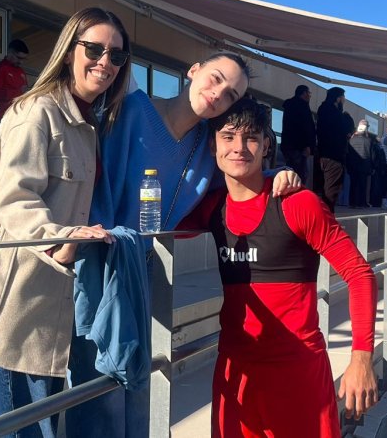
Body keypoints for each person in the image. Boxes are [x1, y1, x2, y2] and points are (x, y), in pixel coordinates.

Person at [71, 51, 302, 438]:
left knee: (134, 389)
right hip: (97, 264)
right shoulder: (130, 111)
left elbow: (236, 179)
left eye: (230, 94)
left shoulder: (204, 148)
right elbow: (96, 188)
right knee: (99, 393)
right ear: (193, 69)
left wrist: (280, 173)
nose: (217, 94)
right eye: (214, 79)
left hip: (142, 269)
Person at [0, 7, 127, 438]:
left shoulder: (90, 122)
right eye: (94, 49)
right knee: (16, 426)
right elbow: (15, 200)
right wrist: (63, 235)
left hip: (54, 300)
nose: (105, 62)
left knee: (35, 424)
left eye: (117, 55)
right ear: (69, 51)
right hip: (17, 300)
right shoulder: (35, 112)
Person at [183, 97, 378, 437]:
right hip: (234, 374)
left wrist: (361, 358)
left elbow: (359, 275)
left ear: (266, 145)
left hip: (296, 375)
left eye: (251, 137)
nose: (239, 147)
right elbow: (155, 220)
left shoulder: (298, 203)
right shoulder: (211, 208)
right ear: (213, 145)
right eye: (228, 136)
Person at [314, 87, 353, 211]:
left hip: (322, 153)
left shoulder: (323, 110)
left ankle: (321, 215)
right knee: (331, 189)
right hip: (334, 155)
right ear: (338, 98)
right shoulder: (336, 114)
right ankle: (327, 218)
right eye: (343, 97)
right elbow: (345, 129)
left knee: (322, 187)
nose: (344, 100)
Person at [280, 84, 316, 185]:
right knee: (300, 176)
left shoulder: (289, 106)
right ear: (304, 93)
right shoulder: (302, 106)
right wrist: (307, 145)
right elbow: (304, 127)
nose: (310, 96)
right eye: (309, 93)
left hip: (289, 145)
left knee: (291, 174)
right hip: (299, 148)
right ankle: (297, 198)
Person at [0, 38, 30, 121]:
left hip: (22, 118)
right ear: (10, 52)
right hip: (5, 118)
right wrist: (19, 91)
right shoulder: (0, 68)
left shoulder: (21, 71)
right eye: (19, 58)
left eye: (23, 59)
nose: (21, 62)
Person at [346, 119, 374, 208]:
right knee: (362, 185)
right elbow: (371, 155)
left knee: (353, 184)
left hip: (353, 165)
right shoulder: (369, 141)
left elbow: (348, 153)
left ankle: (352, 203)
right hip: (364, 165)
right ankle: (362, 202)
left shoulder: (351, 140)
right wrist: (372, 167)